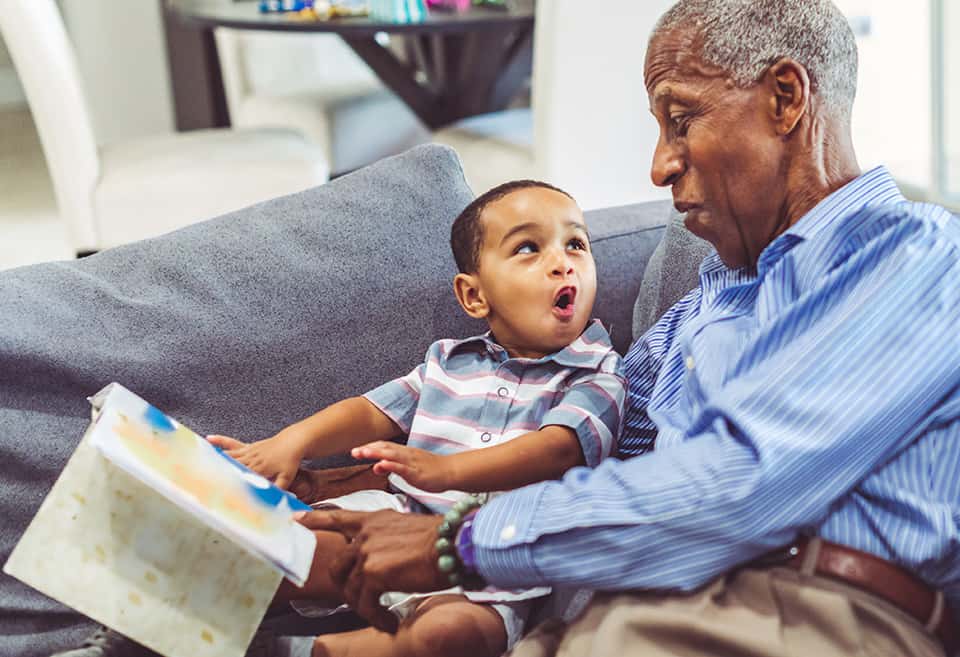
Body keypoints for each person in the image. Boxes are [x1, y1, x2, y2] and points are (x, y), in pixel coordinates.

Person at [298, 1, 960, 656]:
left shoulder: (921, 259)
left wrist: (459, 542)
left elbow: (736, 484)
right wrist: (369, 487)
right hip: (617, 612)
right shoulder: (699, 313)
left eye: (680, 120)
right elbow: (573, 442)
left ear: (784, 98)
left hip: (802, 614)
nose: (660, 165)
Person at [204, 179, 628, 657]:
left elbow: (558, 449)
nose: (562, 261)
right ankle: (179, 625)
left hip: (493, 567)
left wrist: (447, 471)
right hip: (394, 519)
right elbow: (369, 411)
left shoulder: (597, 374)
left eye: (576, 243)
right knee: (279, 545)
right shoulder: (448, 361)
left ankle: (300, 651)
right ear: (474, 296)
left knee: (451, 637)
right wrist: (292, 442)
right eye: (529, 248)